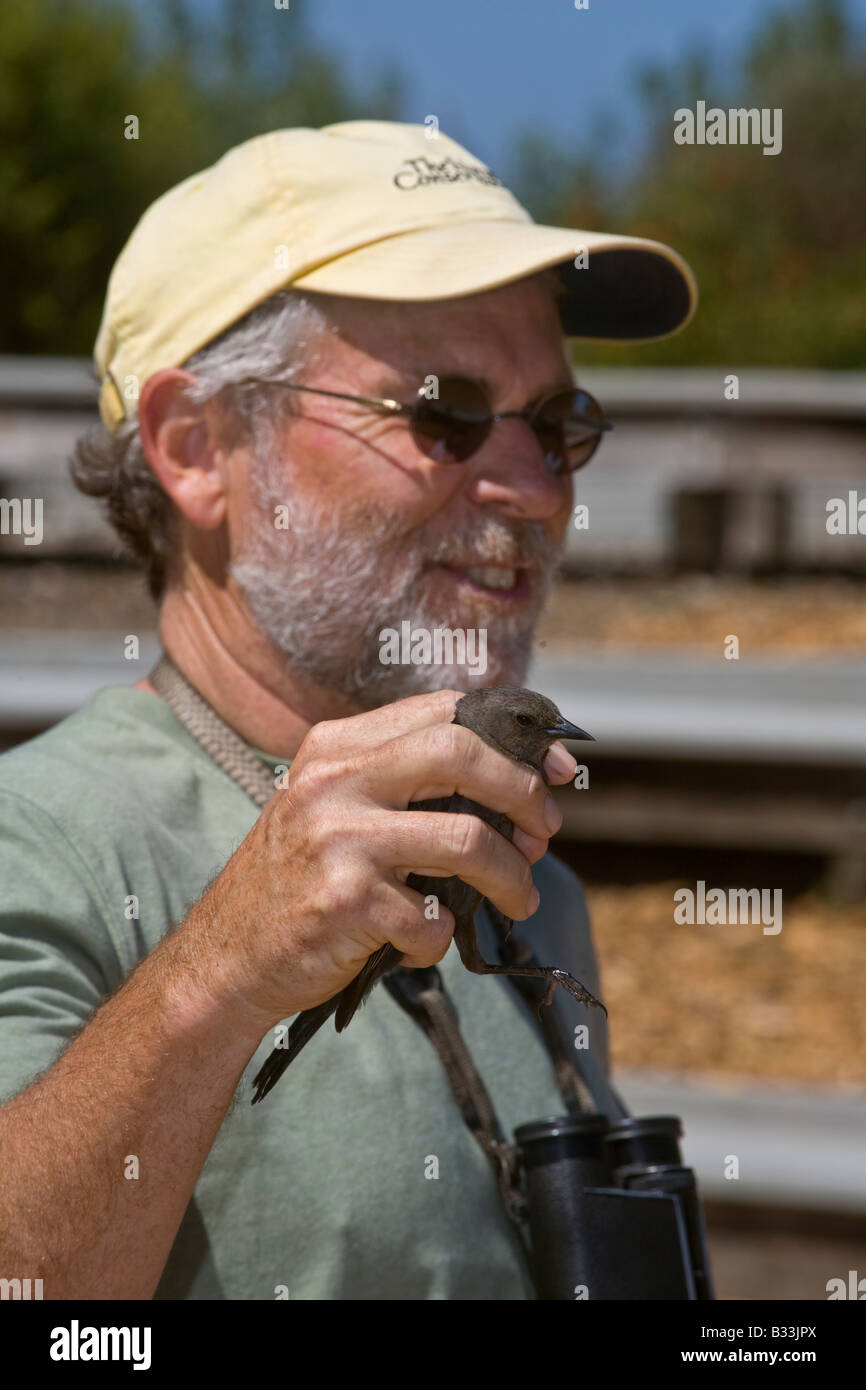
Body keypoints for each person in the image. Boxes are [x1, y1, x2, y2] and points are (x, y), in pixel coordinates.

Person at [0, 121, 696, 1300]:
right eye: (442, 413)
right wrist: (222, 972)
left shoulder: (525, 884)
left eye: (558, 423)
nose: (532, 490)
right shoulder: (44, 845)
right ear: (194, 446)